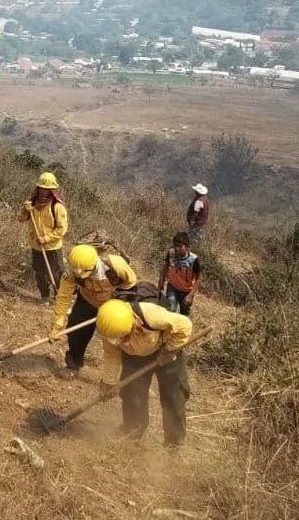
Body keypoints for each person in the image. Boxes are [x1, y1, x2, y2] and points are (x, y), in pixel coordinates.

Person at [95, 298, 193, 448]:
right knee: (132, 394)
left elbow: (185, 325)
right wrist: (108, 382)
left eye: (124, 337)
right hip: (135, 356)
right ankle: (132, 431)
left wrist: (168, 351)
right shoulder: (109, 328)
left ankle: (174, 443)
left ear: (133, 323)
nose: (122, 342)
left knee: (174, 398)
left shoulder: (151, 315)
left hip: (166, 350)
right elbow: (112, 356)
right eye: (118, 340)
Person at [50, 243, 137, 372]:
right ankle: (74, 364)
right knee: (75, 332)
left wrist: (120, 303)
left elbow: (131, 284)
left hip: (111, 305)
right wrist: (57, 324)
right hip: (87, 300)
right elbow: (63, 298)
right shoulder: (72, 273)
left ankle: (120, 374)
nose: (76, 274)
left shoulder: (115, 267)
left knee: (115, 340)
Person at [18, 172, 69, 300]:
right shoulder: (31, 205)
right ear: (38, 188)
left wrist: (46, 238)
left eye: (47, 190)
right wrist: (25, 210)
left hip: (53, 247)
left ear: (52, 191)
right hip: (37, 247)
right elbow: (20, 219)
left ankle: (59, 298)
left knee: (57, 274)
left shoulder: (57, 207)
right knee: (40, 274)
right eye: (41, 189)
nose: (43, 192)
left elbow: (62, 229)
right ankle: (45, 297)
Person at [158, 232, 201, 316]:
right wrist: (161, 282)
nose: (177, 248)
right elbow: (165, 267)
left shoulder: (194, 260)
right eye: (175, 246)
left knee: (184, 314)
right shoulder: (171, 253)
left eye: (180, 246)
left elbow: (199, 278)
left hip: (187, 290)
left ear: (187, 247)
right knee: (170, 309)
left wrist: (191, 295)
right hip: (173, 287)